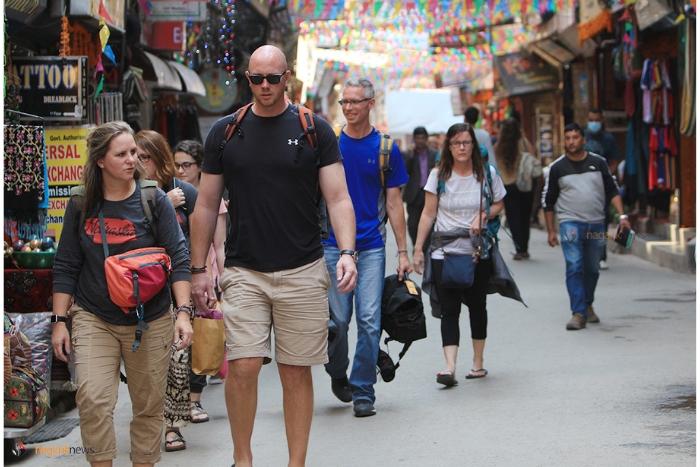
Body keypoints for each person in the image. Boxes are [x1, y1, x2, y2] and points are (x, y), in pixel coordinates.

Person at [189, 45, 357, 467]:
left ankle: (294, 463)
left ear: (287, 78)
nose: (264, 86)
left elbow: (338, 198)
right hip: (245, 269)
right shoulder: (226, 132)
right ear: (247, 79)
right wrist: (197, 271)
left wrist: (348, 251)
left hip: (302, 267)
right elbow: (206, 205)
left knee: (295, 371)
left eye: (272, 78)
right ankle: (242, 458)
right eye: (256, 79)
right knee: (243, 366)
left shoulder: (314, 129)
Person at [51, 121, 193, 466]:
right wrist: (59, 321)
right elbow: (66, 264)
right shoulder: (81, 203)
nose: (132, 160)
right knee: (93, 400)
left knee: (147, 406)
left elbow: (179, 257)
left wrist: (184, 313)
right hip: (93, 314)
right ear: (100, 160)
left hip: (151, 317)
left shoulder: (153, 199)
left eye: (134, 152)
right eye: (122, 154)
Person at [326, 78, 411, 417]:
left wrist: (403, 252)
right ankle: (337, 372)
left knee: (369, 321)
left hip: (372, 248)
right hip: (332, 245)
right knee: (338, 321)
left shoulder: (385, 149)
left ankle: (363, 390)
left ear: (371, 103)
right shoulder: (329, 143)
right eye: (344, 102)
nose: (348, 108)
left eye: (355, 102)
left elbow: (394, 204)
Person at [413, 122, 505, 386]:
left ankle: (478, 363)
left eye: (466, 142)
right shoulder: (438, 175)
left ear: (473, 145)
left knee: (477, 306)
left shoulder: (486, 173)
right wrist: (418, 249)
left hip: (478, 252)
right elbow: (428, 213)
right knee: (449, 309)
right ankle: (449, 367)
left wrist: (484, 214)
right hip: (445, 252)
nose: (461, 148)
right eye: (456, 143)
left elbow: (499, 202)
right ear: (448, 146)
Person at [133, 131, 204, 452]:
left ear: (159, 160)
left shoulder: (184, 191)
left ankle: (172, 427)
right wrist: (158, 205)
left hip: (175, 289)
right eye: (133, 155)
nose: (137, 162)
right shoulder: (128, 193)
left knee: (176, 359)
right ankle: (148, 422)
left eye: (144, 157)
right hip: (135, 293)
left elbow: (200, 237)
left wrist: (205, 275)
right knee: (145, 365)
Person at [542, 123, 631, 331]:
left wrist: (623, 216)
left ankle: (588, 304)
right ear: (564, 141)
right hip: (570, 223)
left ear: (583, 140)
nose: (571, 141)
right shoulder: (557, 168)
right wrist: (551, 231)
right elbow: (548, 201)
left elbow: (613, 190)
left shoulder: (598, 163)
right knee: (574, 265)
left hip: (595, 224)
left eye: (575, 137)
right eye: (568, 138)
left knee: (592, 267)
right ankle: (578, 313)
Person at [173, 140, 227, 302]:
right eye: (176, 165)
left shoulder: (212, 199)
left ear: (200, 166)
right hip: (180, 272)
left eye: (186, 165)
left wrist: (224, 284)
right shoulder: (170, 196)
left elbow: (220, 245)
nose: (180, 170)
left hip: (208, 271)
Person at [494, 118, 542, 260]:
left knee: (513, 217)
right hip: (526, 185)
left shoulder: (498, 146)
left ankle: (519, 248)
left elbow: (496, 165)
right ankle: (525, 247)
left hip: (508, 185)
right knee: (525, 217)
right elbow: (533, 160)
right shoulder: (525, 143)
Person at [583, 108, 622, 270]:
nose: (594, 123)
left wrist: (606, 177)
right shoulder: (582, 137)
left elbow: (614, 162)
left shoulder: (608, 140)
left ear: (602, 121)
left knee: (601, 221)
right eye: (592, 120)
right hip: (583, 186)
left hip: (602, 187)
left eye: (597, 120)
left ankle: (601, 255)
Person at [402, 126, 437, 253]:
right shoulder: (408, 154)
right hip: (414, 194)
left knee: (429, 223)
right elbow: (404, 172)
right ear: (414, 139)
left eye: (422, 138)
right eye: (417, 138)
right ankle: (417, 246)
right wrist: (410, 156)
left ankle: (425, 248)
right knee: (412, 225)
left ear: (426, 139)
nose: (420, 141)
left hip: (429, 193)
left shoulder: (434, 154)